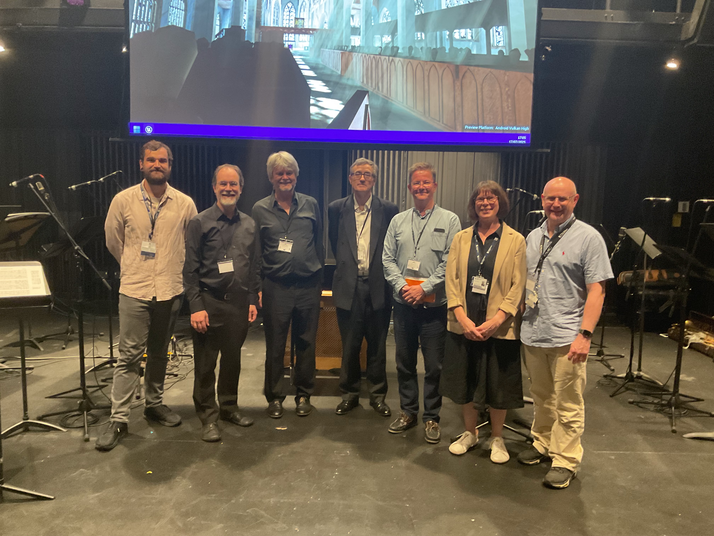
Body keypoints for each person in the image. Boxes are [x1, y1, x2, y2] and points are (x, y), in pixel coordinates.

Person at [97, 140, 197, 451]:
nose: (157, 165)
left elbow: (191, 245)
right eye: (151, 160)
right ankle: (119, 418)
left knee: (159, 353)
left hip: (169, 289)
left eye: (163, 160)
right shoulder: (123, 200)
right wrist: (134, 266)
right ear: (141, 164)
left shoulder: (185, 204)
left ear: (170, 165)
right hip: (135, 289)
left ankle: (154, 404)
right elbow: (113, 241)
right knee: (128, 356)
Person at [518, 176, 613, 489]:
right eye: (551, 198)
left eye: (563, 199)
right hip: (533, 332)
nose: (556, 204)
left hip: (567, 336)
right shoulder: (533, 237)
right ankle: (542, 442)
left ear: (575, 200)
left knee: (568, 403)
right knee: (541, 396)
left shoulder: (589, 238)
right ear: (542, 199)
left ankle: (566, 460)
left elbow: (597, 290)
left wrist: (585, 335)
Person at [440, 182, 526, 463]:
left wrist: (497, 320)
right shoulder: (461, 238)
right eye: (480, 199)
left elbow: (518, 285)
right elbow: (451, 279)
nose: (485, 203)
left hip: (498, 326)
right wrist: (461, 317)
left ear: (500, 203)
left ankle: (497, 437)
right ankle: (470, 433)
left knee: (498, 384)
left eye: (491, 198)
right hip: (464, 324)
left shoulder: (515, 240)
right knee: (465, 380)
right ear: (473, 204)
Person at [382, 162, 461, 443]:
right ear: (409, 187)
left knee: (434, 366)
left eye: (426, 182)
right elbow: (387, 259)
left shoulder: (450, 220)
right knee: (404, 363)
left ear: (435, 186)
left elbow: (451, 261)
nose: (421, 187)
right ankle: (408, 412)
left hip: (434, 309)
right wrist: (404, 287)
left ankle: (431, 418)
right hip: (403, 305)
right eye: (416, 182)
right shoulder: (397, 221)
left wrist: (424, 288)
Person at [183, 164, 260, 442]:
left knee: (232, 361)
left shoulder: (249, 224)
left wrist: (252, 299)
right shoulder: (199, 223)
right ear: (214, 187)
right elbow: (190, 270)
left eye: (233, 184)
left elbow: (253, 266)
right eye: (223, 184)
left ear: (241, 188)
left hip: (238, 306)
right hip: (209, 303)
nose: (229, 188)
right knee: (205, 365)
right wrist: (196, 306)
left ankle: (228, 407)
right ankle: (208, 416)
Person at [252, 151, 324, 419]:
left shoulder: (311, 204)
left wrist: (318, 281)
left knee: (306, 343)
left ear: (296, 175)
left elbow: (319, 243)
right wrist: (258, 288)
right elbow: (256, 252)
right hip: (275, 287)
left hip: (307, 286)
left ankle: (304, 394)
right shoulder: (259, 209)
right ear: (271, 177)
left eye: (289, 172)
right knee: (275, 345)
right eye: (279, 173)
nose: (285, 177)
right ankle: (274, 397)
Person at [328, 158, 398, 417]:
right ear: (350, 178)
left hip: (379, 285)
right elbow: (335, 243)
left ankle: (378, 396)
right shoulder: (336, 208)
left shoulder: (388, 209)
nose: (362, 178)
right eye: (357, 173)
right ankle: (349, 395)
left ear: (374, 180)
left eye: (367, 174)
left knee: (377, 345)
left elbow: (392, 245)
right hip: (349, 285)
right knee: (350, 345)